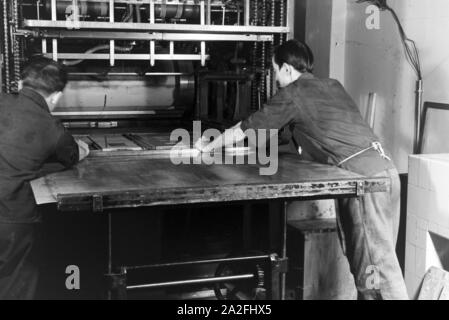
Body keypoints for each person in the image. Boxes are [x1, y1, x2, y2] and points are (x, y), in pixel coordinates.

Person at [195, 40, 409, 300]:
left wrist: (210, 144)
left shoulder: (293, 93)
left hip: (365, 182)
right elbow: (306, 129)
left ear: (286, 69)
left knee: (378, 271)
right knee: (369, 264)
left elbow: (246, 128)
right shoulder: (332, 85)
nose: (275, 78)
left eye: (275, 71)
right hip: (386, 172)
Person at [0, 57, 89, 299]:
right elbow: (73, 155)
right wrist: (83, 146)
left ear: (19, 84)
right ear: (56, 96)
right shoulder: (52, 128)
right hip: (11, 220)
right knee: (15, 284)